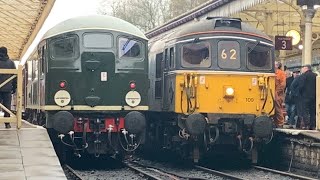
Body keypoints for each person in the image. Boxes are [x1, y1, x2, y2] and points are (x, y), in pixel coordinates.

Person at [0, 46, 16, 129]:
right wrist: (14, 87)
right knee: (7, 106)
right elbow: (15, 76)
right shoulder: (11, 63)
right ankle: (7, 124)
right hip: (7, 88)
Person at [298, 64, 317, 129]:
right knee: (312, 111)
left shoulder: (303, 76)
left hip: (305, 96)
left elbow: (301, 86)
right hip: (314, 96)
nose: (302, 70)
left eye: (303, 68)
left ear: (306, 68)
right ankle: (313, 125)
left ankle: (307, 124)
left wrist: (300, 93)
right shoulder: (315, 75)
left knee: (305, 111)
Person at [273, 61, 286, 128]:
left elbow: (282, 84)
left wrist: (276, 92)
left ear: (277, 66)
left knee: (278, 108)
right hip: (271, 92)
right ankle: (275, 123)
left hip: (277, 94)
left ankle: (280, 123)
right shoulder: (271, 72)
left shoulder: (281, 73)